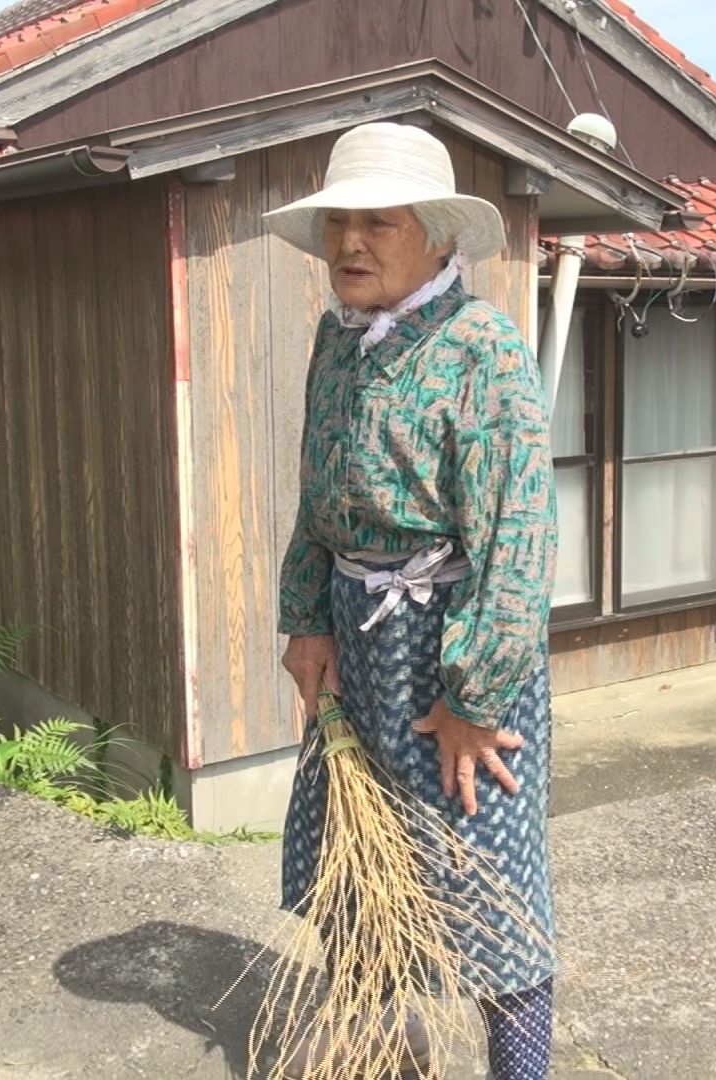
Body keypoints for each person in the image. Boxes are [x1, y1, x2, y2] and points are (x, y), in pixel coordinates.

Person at [265, 121, 559, 1080]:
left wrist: (474, 702)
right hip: (356, 637)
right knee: (355, 855)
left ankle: (517, 1070)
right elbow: (318, 492)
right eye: (340, 223)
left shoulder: (484, 349)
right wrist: (308, 617)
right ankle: (382, 1048)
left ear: (437, 236)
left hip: (457, 646)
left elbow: (518, 540)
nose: (349, 243)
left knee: (486, 875)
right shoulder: (335, 341)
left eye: (377, 223)